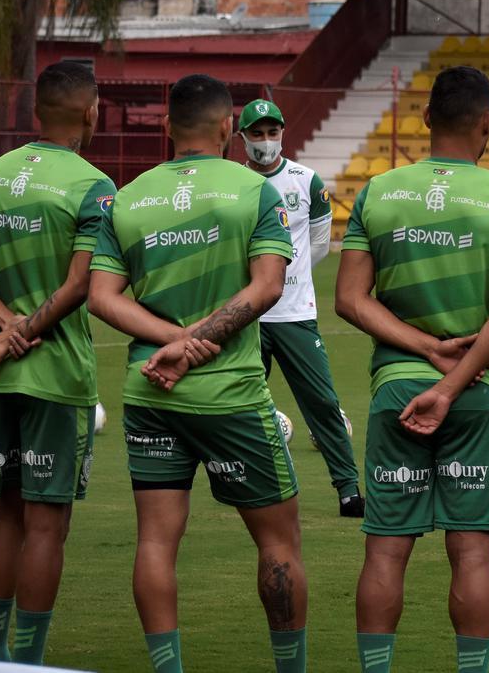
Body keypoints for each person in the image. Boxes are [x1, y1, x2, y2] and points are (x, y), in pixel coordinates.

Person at [87, 74, 307, 673]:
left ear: (166, 129)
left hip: (150, 389)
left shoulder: (127, 197)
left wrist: (171, 341)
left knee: (155, 543)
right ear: (227, 129)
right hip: (229, 394)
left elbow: (101, 296)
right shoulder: (256, 191)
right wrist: (194, 343)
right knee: (278, 543)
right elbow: (267, 287)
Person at [335, 66, 489, 673]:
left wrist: (422, 351)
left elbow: (350, 299)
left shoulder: (377, 191)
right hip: (475, 393)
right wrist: (449, 381)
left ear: (425, 119)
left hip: (397, 391)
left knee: (385, 553)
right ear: (487, 123)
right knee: (472, 557)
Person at [0, 61, 114, 664]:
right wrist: (22, 330)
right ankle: (26, 662)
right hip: (55, 374)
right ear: (89, 113)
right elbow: (82, 285)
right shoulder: (93, 184)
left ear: (35, 112)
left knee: (7, 511)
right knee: (47, 522)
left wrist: (2, 329)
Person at [240, 97, 364, 518]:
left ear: (282, 134)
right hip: (247, 316)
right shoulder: (234, 183)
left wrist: (284, 277)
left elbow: (317, 245)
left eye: (272, 132)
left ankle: (348, 491)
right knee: (236, 403)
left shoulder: (307, 181)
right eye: (256, 134)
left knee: (323, 404)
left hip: (294, 312)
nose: (265, 141)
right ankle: (247, 486)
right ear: (242, 138)